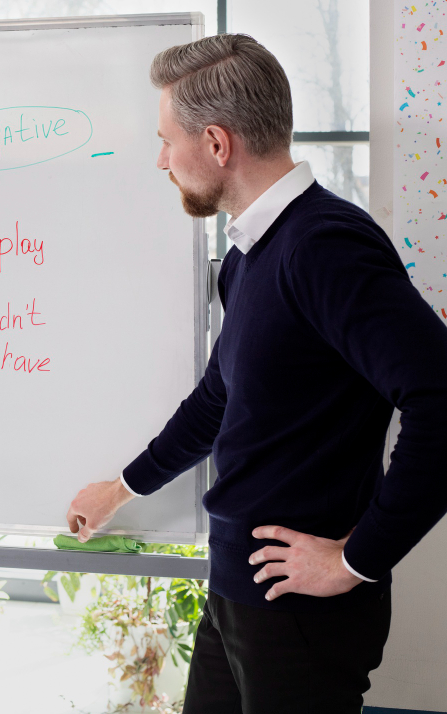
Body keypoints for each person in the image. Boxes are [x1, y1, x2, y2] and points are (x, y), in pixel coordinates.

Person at [66, 34, 447, 713]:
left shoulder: (325, 245)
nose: (161, 161)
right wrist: (123, 488)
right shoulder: (252, 253)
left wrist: (358, 557)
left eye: (166, 140)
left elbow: (443, 397)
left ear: (216, 144)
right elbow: (220, 399)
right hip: (239, 590)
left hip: (300, 610)